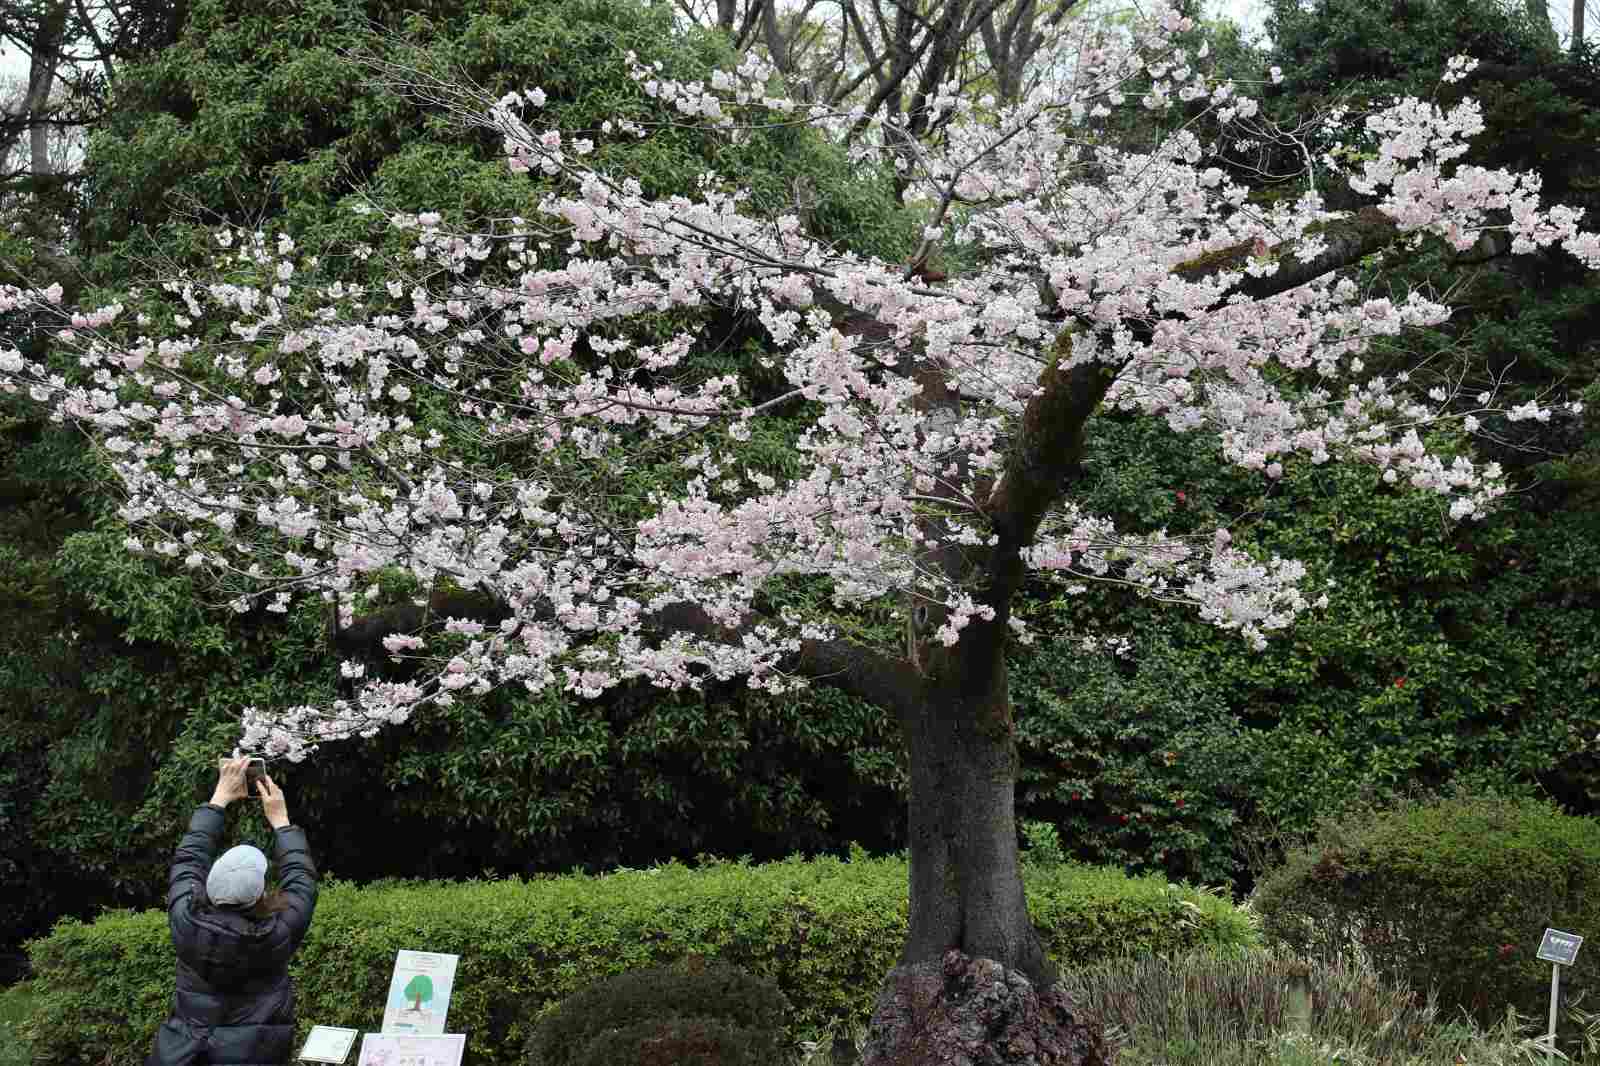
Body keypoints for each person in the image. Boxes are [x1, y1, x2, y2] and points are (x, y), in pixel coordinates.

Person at [145, 756, 318, 1066]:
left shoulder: (186, 919)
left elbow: (189, 857)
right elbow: (301, 880)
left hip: (183, 1054)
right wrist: (280, 820)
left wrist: (220, 797)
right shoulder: (277, 933)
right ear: (260, 893)